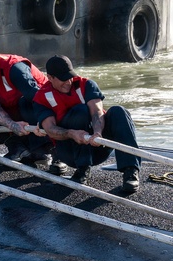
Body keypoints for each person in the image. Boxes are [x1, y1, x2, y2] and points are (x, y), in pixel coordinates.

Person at [34, 55, 141, 192]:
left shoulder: (86, 84)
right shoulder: (41, 97)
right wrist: (71, 134)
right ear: (50, 78)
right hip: (69, 150)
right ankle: (82, 169)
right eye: (63, 79)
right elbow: (50, 129)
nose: (68, 82)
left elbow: (97, 112)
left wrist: (98, 132)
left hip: (96, 144)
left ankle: (130, 171)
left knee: (119, 111)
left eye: (70, 77)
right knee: (80, 111)